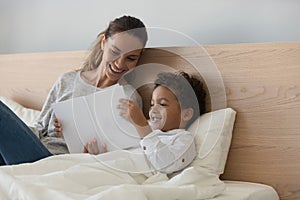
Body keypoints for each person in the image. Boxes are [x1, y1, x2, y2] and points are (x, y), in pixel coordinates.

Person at [0, 15, 148, 166]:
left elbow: (125, 151)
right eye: (115, 52)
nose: (119, 63)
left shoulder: (128, 98)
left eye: (130, 58)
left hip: (56, 161)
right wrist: (54, 128)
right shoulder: (67, 80)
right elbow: (40, 128)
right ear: (104, 43)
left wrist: (95, 156)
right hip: (36, 148)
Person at [117, 71, 206, 174]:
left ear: (186, 114)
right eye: (152, 104)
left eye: (163, 104)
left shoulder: (183, 138)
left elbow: (166, 165)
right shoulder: (148, 128)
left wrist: (142, 126)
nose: (153, 110)